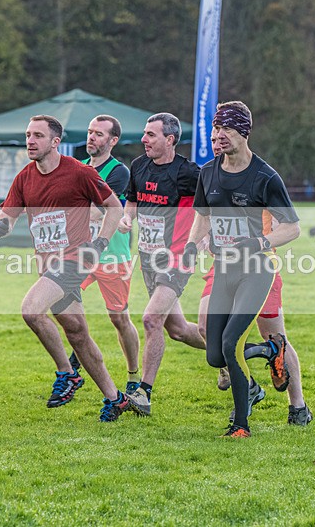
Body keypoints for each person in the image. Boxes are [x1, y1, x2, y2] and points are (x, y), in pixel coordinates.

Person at [0, 114, 130, 423]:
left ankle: (67, 373)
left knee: (31, 310)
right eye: (27, 135)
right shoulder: (24, 177)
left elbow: (114, 207)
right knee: (78, 333)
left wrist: (101, 243)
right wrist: (0, 226)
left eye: (37, 135)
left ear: (55, 141)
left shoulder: (79, 172)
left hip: (74, 260)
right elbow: (9, 219)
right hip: (47, 265)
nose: (30, 141)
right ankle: (115, 398)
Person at [186, 101, 300, 437]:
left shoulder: (265, 176)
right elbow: (203, 217)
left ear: (244, 132)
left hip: (256, 269)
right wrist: (193, 245)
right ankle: (270, 349)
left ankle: (241, 425)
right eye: (214, 129)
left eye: (225, 129)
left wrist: (261, 242)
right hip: (224, 269)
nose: (217, 136)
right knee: (214, 355)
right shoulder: (207, 173)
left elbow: (291, 227)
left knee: (232, 343)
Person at [118, 112, 206, 417]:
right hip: (149, 259)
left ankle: (143, 392)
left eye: (151, 135)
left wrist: (204, 236)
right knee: (178, 329)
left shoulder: (188, 173)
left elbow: (213, 201)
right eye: (144, 133)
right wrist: (127, 217)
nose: (144, 139)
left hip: (178, 257)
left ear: (170, 139)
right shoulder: (138, 166)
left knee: (151, 319)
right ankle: (230, 354)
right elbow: (132, 200)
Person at [72, 115, 141, 395]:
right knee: (60, 301)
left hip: (113, 256)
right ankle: (75, 363)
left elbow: (98, 208)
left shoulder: (118, 171)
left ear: (112, 141)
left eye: (98, 134)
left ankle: (134, 374)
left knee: (119, 319)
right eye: (89, 132)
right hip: (81, 253)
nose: (91, 138)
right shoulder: (77, 168)